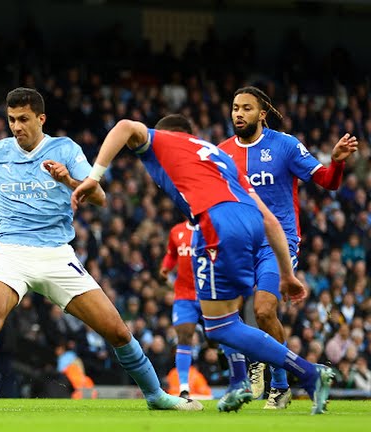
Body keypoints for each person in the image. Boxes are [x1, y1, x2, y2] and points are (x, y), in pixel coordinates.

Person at [0, 87, 202, 412]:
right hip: (10, 252)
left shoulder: (65, 150)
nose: (17, 127)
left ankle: (157, 396)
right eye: (12, 119)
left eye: (24, 119)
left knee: (115, 329)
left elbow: (100, 198)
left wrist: (69, 180)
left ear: (41, 118)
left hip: (57, 255)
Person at [72, 114, 334, 414]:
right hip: (250, 223)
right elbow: (270, 220)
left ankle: (309, 374)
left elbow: (125, 126)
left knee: (220, 327)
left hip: (216, 222)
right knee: (227, 321)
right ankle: (257, 382)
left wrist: (94, 177)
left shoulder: (164, 141)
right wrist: (287, 273)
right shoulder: (219, 156)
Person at [218, 86, 358, 409]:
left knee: (264, 310)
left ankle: (279, 386)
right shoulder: (222, 152)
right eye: (235, 108)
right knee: (222, 314)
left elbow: (327, 182)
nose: (239, 114)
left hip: (277, 243)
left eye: (246, 108)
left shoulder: (285, 145)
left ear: (262, 114)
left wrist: (336, 163)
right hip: (239, 243)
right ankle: (256, 366)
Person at [158, 220, 201, 398]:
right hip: (184, 296)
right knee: (184, 337)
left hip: (209, 293)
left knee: (219, 336)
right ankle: (184, 387)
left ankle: (236, 379)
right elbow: (171, 254)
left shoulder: (213, 227)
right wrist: (166, 268)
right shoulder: (177, 230)